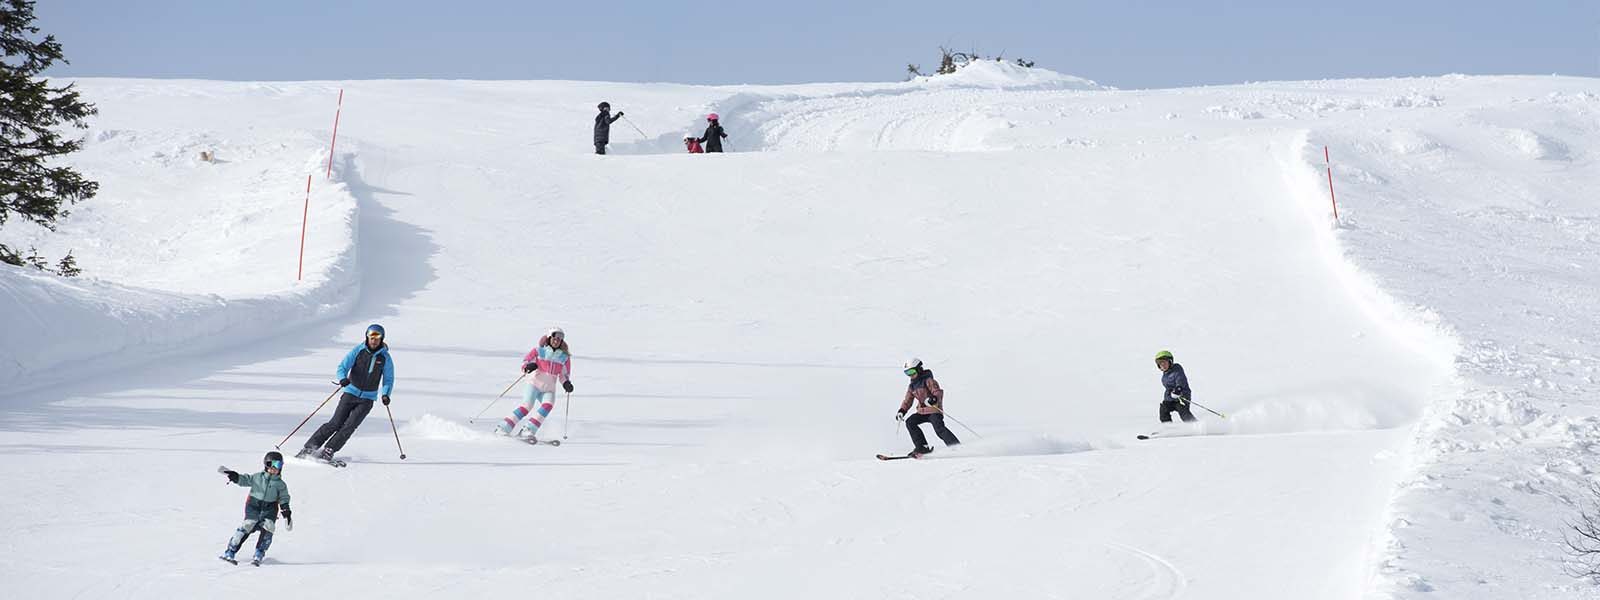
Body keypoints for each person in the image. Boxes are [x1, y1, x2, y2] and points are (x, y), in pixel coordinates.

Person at [298, 324, 395, 463]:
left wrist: (385, 394)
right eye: (371, 337)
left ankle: (329, 449)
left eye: (377, 337)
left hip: (367, 398)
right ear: (367, 337)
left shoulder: (385, 358)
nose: (374, 340)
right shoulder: (358, 350)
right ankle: (310, 447)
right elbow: (342, 367)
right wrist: (343, 378)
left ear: (382, 338)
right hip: (350, 392)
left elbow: (388, 378)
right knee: (335, 423)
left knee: (350, 426)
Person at [497, 328, 575, 441]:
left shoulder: (564, 358)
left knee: (547, 406)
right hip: (534, 384)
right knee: (526, 406)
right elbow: (526, 362)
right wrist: (528, 367)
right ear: (549, 338)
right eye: (554, 337)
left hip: (549, 388)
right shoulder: (538, 351)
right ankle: (504, 427)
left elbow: (564, 375)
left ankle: (528, 430)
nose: (557, 340)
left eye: (560, 338)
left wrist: (566, 383)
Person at [218, 451, 293, 566]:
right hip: (254, 506)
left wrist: (286, 510)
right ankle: (230, 551)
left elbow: (284, 497)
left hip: (270, 509)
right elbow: (244, 480)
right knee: (247, 525)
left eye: (277, 465)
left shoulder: (281, 484)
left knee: (269, 527)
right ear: (265, 465)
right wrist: (235, 476)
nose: (273, 468)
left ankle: (259, 553)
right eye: (270, 464)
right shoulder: (257, 477)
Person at [896, 358, 960, 456]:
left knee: (939, 429)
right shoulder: (912, 386)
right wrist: (902, 411)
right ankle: (922, 447)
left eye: (912, 371)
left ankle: (956, 446)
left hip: (933, 409)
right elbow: (908, 400)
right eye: (907, 373)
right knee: (910, 422)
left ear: (919, 369)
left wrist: (933, 399)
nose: (910, 375)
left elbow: (937, 391)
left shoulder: (928, 380)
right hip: (922, 412)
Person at [1155, 350, 1197, 423]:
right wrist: (1168, 397)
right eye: (1160, 364)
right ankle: (1167, 427)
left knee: (1183, 411)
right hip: (1171, 398)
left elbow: (1181, 379)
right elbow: (1168, 389)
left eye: (1164, 362)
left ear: (1170, 362)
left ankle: (1194, 424)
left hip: (1182, 396)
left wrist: (1178, 389)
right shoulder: (1164, 376)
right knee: (1164, 409)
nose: (1163, 365)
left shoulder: (1177, 369)